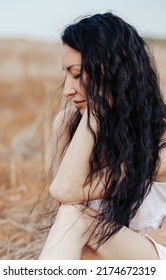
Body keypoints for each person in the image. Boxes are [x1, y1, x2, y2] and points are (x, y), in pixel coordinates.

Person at [38, 12, 166, 260]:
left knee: (75, 218)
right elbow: (64, 202)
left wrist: (97, 107)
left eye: (76, 74)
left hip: (150, 256)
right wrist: (94, 117)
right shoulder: (67, 125)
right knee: (73, 236)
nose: (67, 90)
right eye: (65, 74)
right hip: (93, 249)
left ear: (110, 74)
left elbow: (66, 192)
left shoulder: (160, 142)